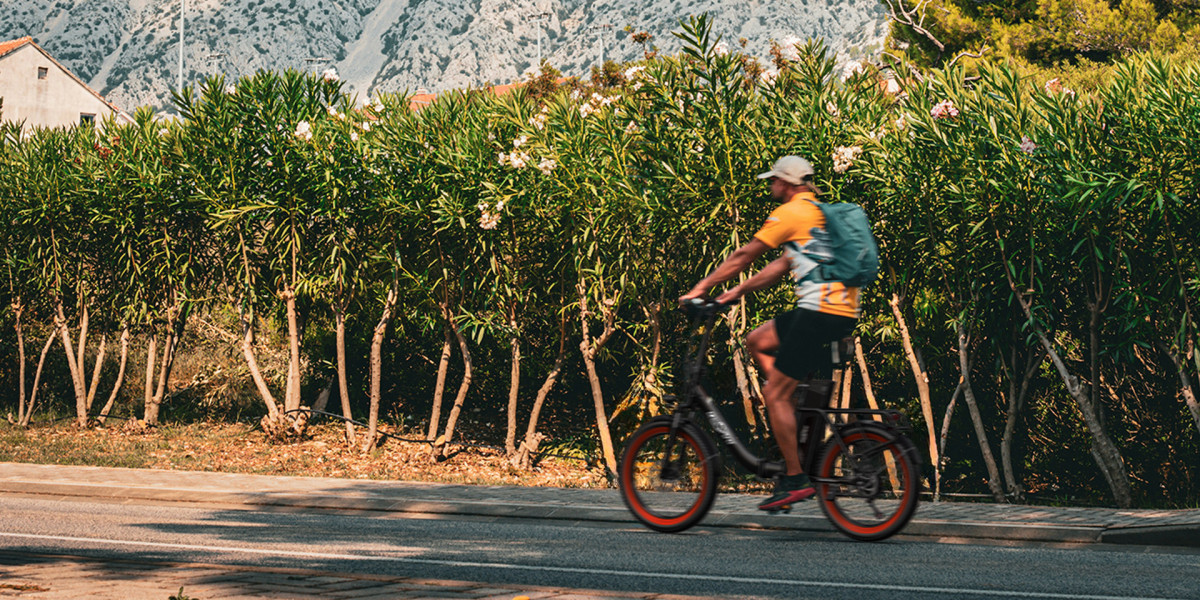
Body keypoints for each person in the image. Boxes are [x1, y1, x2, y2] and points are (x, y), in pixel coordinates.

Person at [679, 155, 860, 511]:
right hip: (840, 312)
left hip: (817, 313)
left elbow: (745, 255)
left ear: (789, 184)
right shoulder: (819, 214)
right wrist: (736, 292)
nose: (771, 186)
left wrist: (700, 289)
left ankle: (794, 479)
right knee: (757, 340)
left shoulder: (791, 213)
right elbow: (780, 266)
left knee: (773, 393)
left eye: (774, 181)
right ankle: (791, 415)